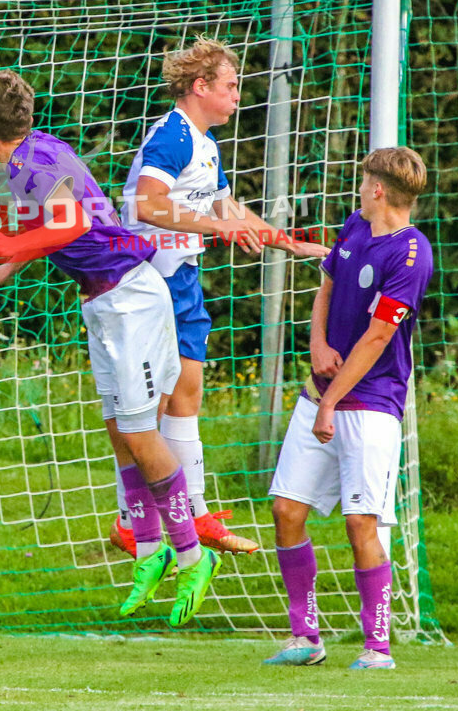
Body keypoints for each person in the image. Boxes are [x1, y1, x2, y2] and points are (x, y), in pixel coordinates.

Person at [0, 70, 221, 628]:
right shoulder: (40, 152)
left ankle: (191, 554)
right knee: (118, 428)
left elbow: (72, 222)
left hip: (130, 296)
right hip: (106, 300)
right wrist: (12, 262)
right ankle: (151, 547)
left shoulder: (29, 166)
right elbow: (69, 226)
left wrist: (11, 243)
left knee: (138, 431)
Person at [110, 38, 329, 559]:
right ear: (200, 87)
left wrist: (290, 243)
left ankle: (198, 512)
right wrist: (214, 225)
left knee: (187, 394)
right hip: (145, 280)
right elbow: (146, 203)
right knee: (149, 407)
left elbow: (227, 208)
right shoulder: (172, 135)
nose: (237, 95)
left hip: (180, 279)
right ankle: (130, 518)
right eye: (231, 86)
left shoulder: (205, 145)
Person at [264, 146, 433, 670]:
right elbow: (327, 286)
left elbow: (379, 336)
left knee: (361, 522)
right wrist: (316, 344)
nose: (359, 190)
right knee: (286, 509)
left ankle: (376, 647)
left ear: (378, 188)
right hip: (322, 394)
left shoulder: (411, 255)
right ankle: (304, 638)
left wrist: (330, 403)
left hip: (371, 403)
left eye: (363, 182)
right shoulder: (355, 227)